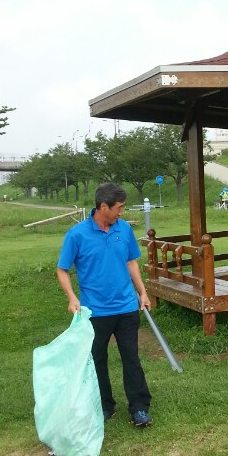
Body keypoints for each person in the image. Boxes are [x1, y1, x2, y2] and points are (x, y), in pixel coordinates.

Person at [56, 182, 153, 428]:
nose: (122, 212)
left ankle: (139, 408)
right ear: (103, 206)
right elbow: (62, 270)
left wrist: (142, 292)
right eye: (118, 208)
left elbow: (131, 262)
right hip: (95, 311)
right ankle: (104, 406)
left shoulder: (124, 229)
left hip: (127, 307)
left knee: (131, 357)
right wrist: (72, 297)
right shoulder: (77, 235)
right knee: (97, 359)